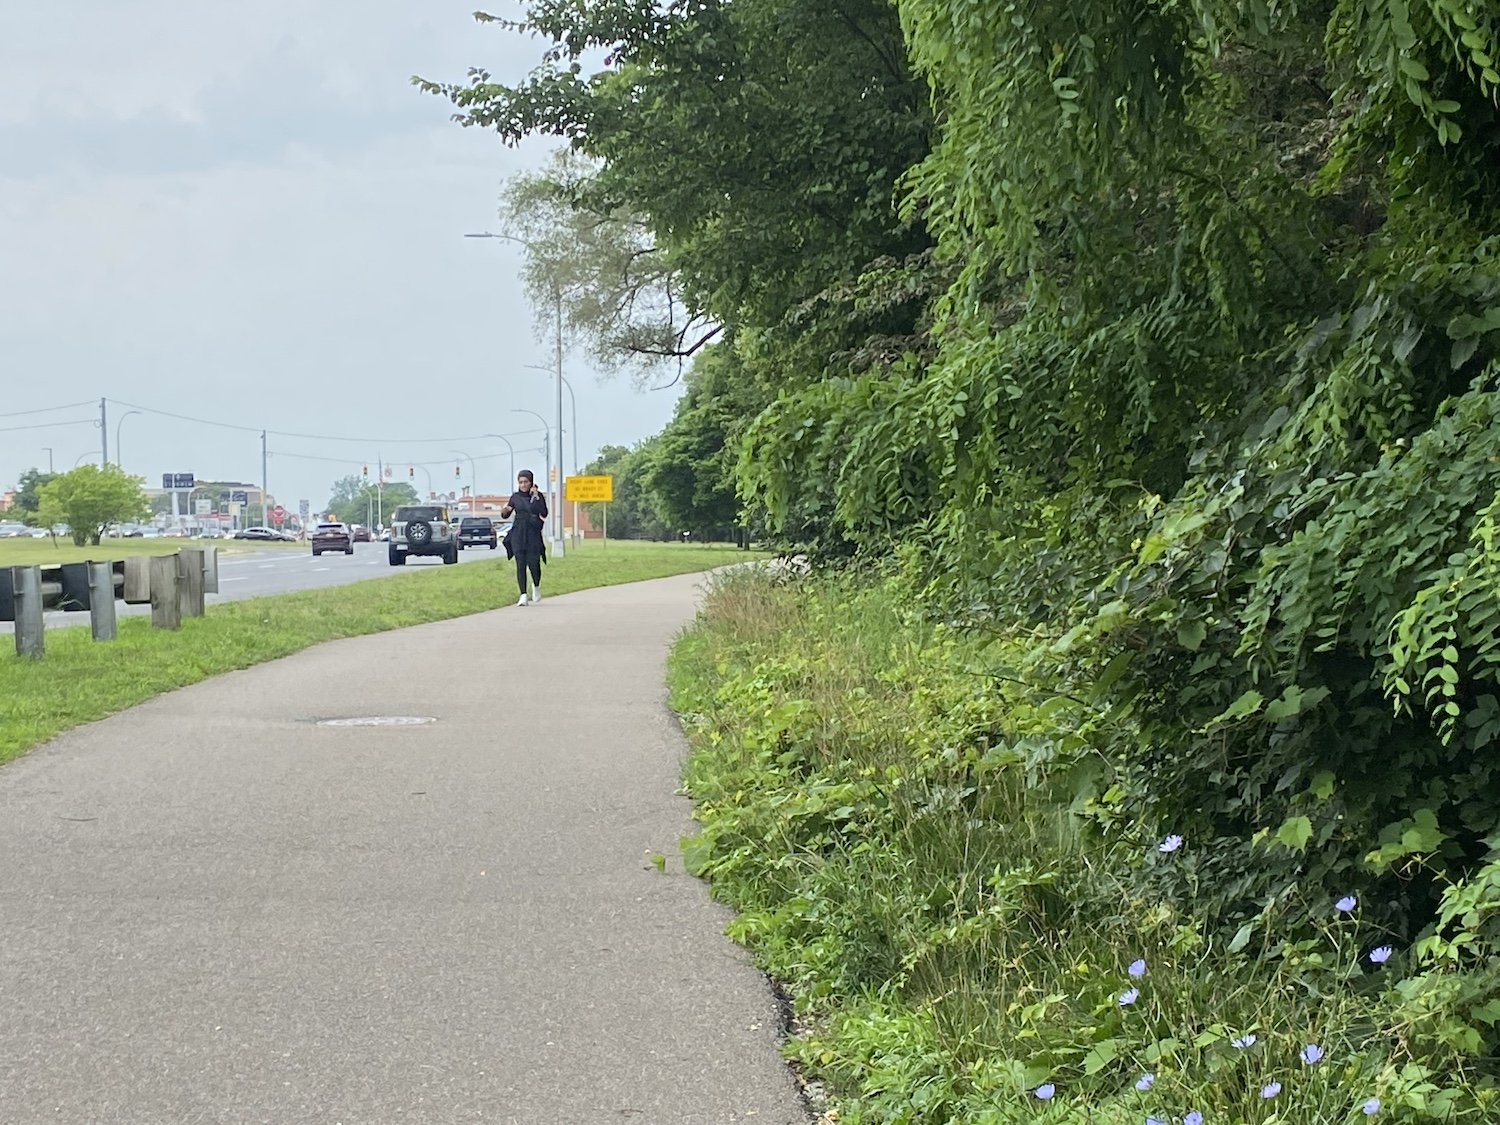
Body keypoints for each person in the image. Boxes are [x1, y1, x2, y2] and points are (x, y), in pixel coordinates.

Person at [501, 470, 548, 605]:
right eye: (520, 482)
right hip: (518, 533)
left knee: (534, 563)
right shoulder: (515, 497)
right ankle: (523, 595)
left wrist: (535, 496)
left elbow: (544, 513)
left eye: (526, 482)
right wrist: (505, 510)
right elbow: (505, 515)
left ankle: (536, 586)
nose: (523, 485)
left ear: (531, 482)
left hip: (533, 533)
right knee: (520, 564)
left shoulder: (537, 496)